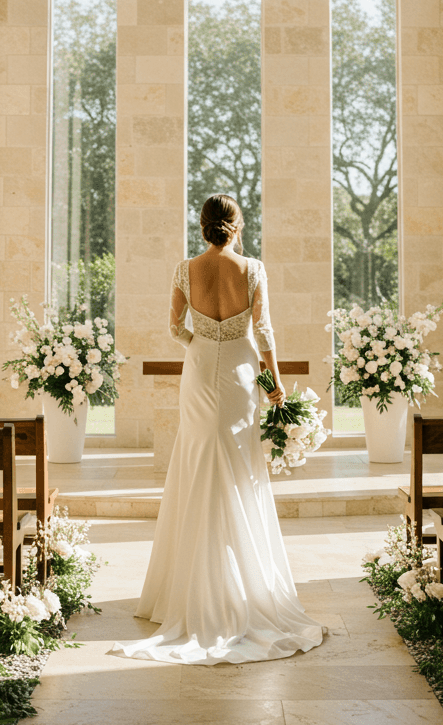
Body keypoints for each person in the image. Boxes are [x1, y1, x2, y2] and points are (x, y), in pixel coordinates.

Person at [111, 194, 325, 665]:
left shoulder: (185, 269)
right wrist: (274, 387)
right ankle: (245, 585)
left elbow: (174, 327)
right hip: (244, 372)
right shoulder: (252, 269)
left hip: (201, 366)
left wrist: (201, 343)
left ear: (203, 225)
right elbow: (264, 333)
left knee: (198, 459)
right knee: (239, 466)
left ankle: (184, 589)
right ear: (237, 225)